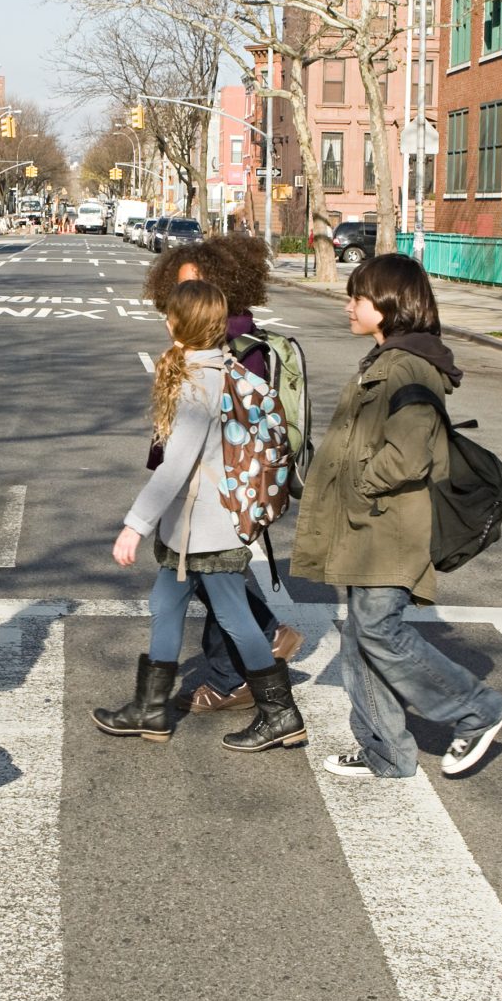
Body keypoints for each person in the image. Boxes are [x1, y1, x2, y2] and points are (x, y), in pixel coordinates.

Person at [291, 253, 502, 780]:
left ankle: (476, 710)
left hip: (387, 525)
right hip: (372, 525)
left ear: (388, 306)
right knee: (363, 637)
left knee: (378, 630)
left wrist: (360, 483)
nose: (349, 306)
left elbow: (410, 454)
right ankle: (385, 751)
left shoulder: (403, 366)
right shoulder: (387, 360)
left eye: (358, 298)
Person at [93, 278, 306, 751]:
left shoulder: (200, 383)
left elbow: (174, 469)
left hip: (208, 530)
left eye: (170, 314)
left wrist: (133, 525)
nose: (165, 320)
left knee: (236, 619)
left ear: (181, 323)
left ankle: (282, 713)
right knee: (164, 605)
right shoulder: (218, 368)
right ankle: (151, 711)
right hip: (192, 529)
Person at [138, 235, 301, 712]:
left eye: (197, 285)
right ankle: (153, 709)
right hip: (199, 501)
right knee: (188, 595)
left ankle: (249, 681)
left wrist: (138, 518)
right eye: (180, 286)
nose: (184, 295)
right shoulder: (202, 342)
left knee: (219, 596)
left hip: (216, 500)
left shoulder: (234, 347)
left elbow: (212, 433)